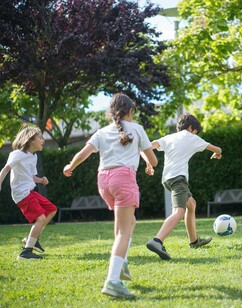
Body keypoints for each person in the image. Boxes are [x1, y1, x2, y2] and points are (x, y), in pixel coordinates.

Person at [63, 93, 158, 298]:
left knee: (128, 223)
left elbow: (84, 153)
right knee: (125, 231)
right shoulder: (137, 129)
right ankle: (113, 281)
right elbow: (153, 159)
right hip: (123, 179)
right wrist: (150, 162)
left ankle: (121, 261)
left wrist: (70, 166)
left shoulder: (102, 131)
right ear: (130, 111)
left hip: (104, 181)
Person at [145, 113, 222, 260]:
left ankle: (194, 241)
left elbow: (150, 146)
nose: (195, 134)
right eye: (195, 131)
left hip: (167, 179)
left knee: (191, 204)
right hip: (178, 179)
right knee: (179, 213)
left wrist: (148, 163)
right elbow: (217, 149)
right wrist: (217, 155)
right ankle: (157, 241)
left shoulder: (169, 137)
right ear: (191, 127)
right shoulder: (192, 137)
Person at [0, 126, 57, 260]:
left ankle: (32, 239)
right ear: (31, 140)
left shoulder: (34, 156)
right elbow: (5, 170)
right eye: (40, 137)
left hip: (29, 190)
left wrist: (41, 180)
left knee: (51, 209)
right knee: (41, 218)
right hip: (21, 193)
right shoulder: (17, 154)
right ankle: (26, 253)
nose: (43, 140)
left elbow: (31, 176)